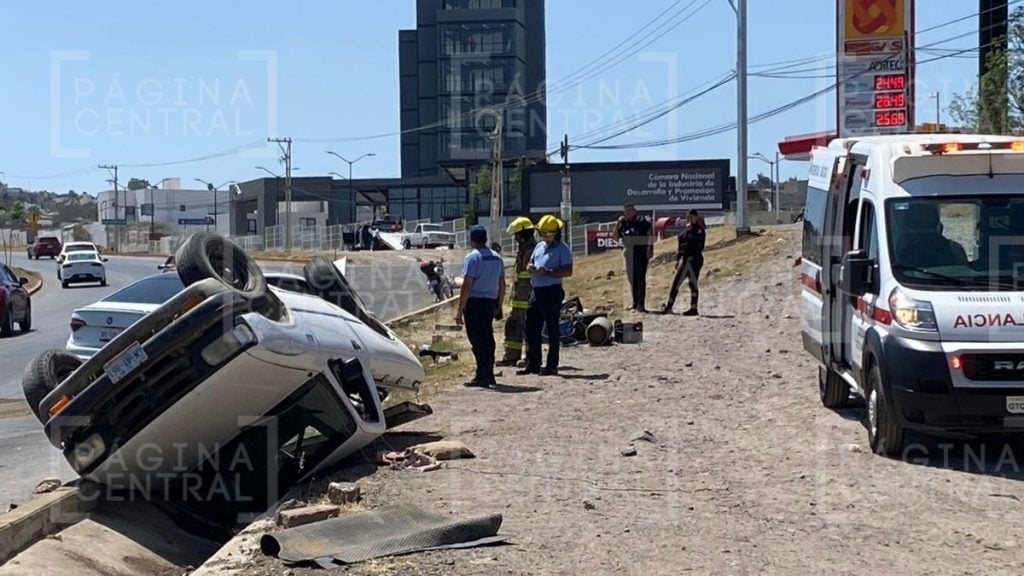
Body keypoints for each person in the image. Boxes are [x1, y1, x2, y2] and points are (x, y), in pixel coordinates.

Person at [521, 215, 573, 377]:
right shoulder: (539, 246)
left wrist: (549, 272)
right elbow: (529, 263)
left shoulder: (563, 249)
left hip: (551, 291)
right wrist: (530, 267)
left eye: (545, 233)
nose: (542, 236)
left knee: (551, 328)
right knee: (531, 327)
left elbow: (568, 271)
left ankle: (551, 365)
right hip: (536, 291)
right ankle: (533, 363)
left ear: (554, 233)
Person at [455, 225, 506, 388]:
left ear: (472, 240)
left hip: (475, 302)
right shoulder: (497, 258)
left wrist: (459, 310)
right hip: (490, 301)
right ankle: (488, 373)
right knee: (488, 337)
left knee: (477, 340)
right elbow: (502, 284)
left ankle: (482, 375)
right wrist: (499, 305)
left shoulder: (472, 258)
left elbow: (467, 285)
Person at [497, 217, 537, 367]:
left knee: (528, 327)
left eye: (517, 235)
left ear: (524, 234)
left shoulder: (532, 250)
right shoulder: (524, 249)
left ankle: (529, 357)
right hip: (519, 297)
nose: (515, 239)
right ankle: (512, 355)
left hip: (527, 296)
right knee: (513, 325)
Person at [664, 209, 707, 316]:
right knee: (676, 283)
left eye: (691, 217)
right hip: (685, 260)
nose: (689, 219)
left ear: (696, 218)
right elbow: (680, 248)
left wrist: (691, 232)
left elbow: (699, 246)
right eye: (687, 217)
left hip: (695, 259)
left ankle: (693, 308)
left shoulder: (699, 231)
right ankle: (669, 307)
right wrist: (677, 260)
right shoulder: (683, 234)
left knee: (692, 283)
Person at [612, 203, 654, 312]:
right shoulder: (623, 224)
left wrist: (650, 248)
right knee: (632, 279)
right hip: (629, 254)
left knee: (640, 279)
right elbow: (615, 237)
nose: (628, 213)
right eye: (626, 211)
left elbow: (650, 233)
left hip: (641, 253)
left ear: (635, 211)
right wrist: (617, 223)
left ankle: (641, 304)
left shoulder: (641, 221)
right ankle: (635, 303)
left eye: (630, 211)